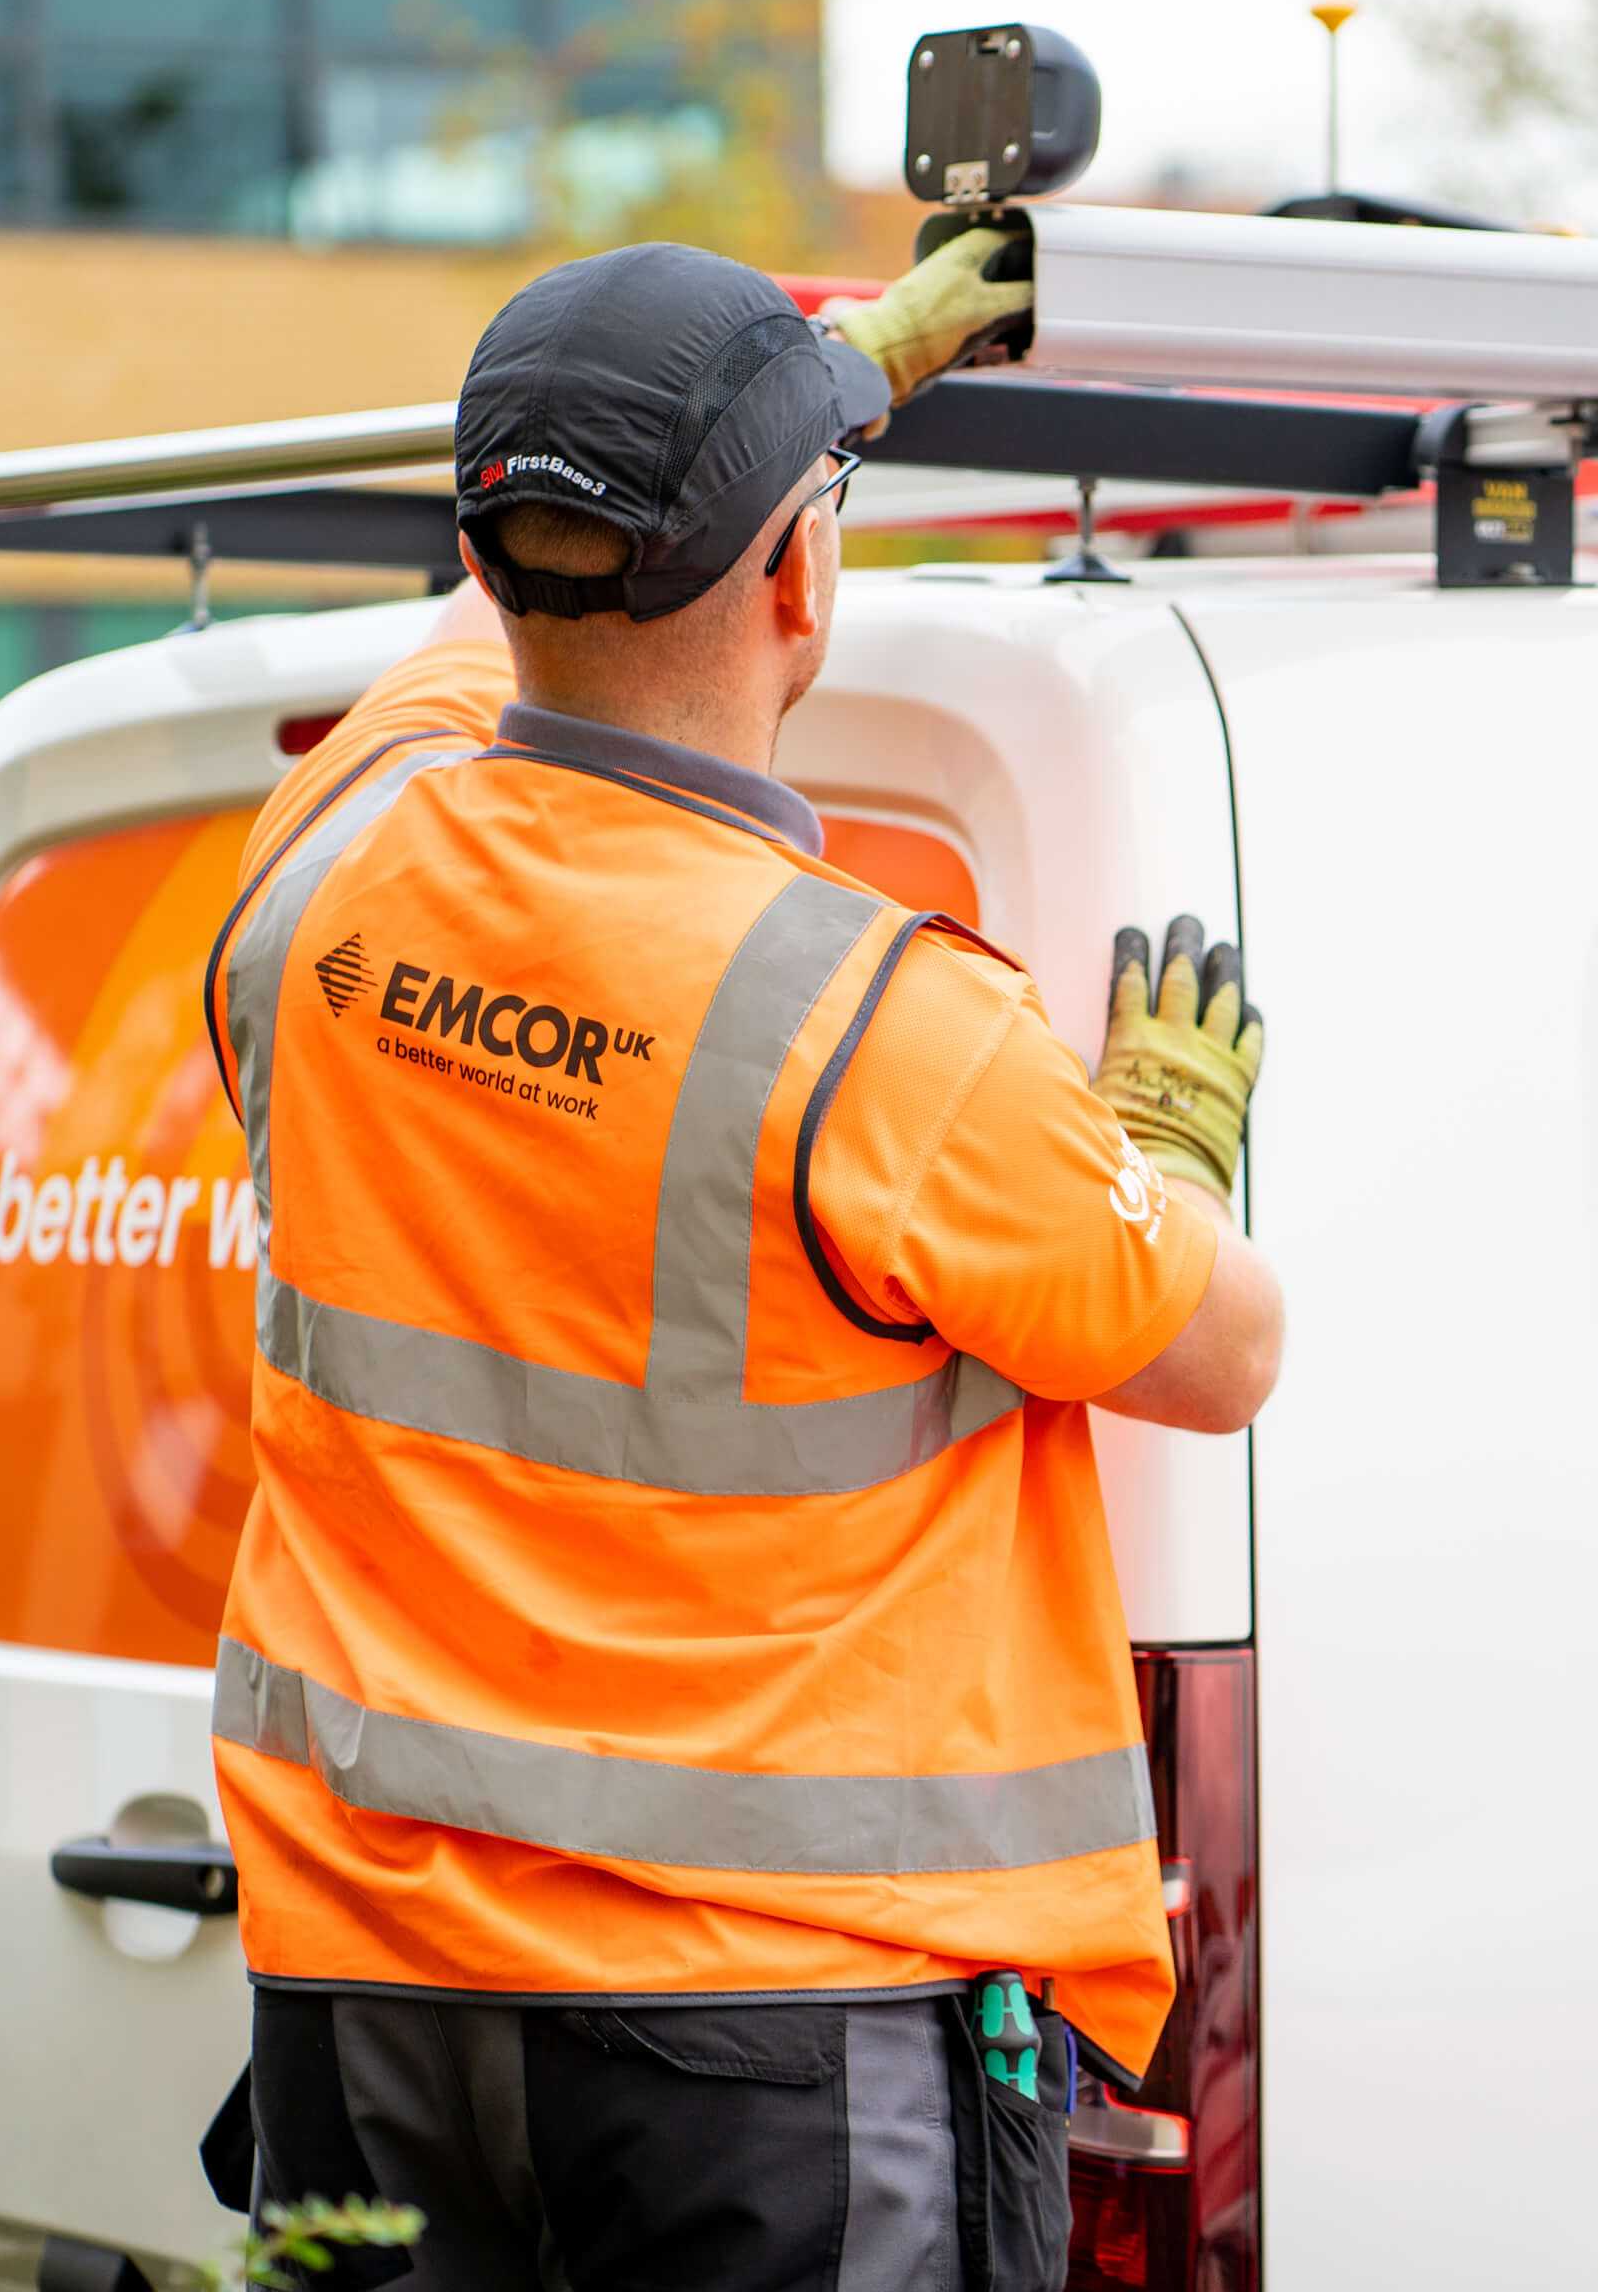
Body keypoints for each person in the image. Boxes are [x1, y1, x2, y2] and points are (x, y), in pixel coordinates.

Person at [196, 230, 1282, 2292]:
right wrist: (1163, 1137)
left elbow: (484, 635)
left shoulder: (328, 859)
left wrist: (829, 381)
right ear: (799, 577)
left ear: (494, 555)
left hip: (366, 2000)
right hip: (770, 2051)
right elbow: (1216, 1349)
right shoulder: (876, 1027)